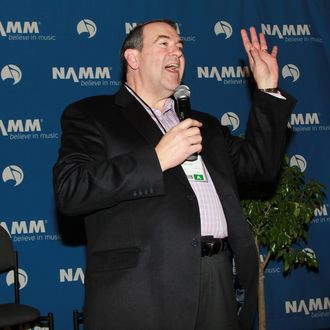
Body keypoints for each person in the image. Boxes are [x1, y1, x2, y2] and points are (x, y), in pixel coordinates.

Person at [53, 19, 296, 330]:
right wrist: (156, 159)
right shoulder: (94, 115)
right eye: (164, 43)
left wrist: (267, 90)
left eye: (180, 48)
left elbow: (259, 166)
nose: (177, 53)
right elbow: (70, 190)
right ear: (133, 58)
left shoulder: (203, 124)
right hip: (144, 289)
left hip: (217, 278)